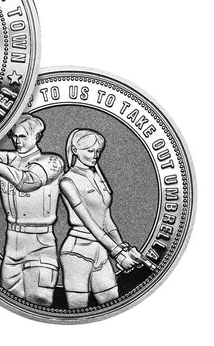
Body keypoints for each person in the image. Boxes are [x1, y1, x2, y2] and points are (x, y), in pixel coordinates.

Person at [0, 114, 64, 306]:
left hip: (40, 244)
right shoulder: (7, 158)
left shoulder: (52, 162)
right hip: (12, 245)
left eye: (23, 137)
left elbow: (27, 182)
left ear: (37, 136)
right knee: (11, 303)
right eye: (14, 136)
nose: (17, 141)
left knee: (39, 302)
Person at [59, 129, 140, 309]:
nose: (95, 155)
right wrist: (117, 253)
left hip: (101, 249)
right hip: (77, 250)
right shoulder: (67, 181)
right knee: (77, 309)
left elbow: (106, 217)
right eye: (90, 150)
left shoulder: (96, 175)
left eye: (98, 151)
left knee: (112, 303)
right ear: (75, 150)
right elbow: (90, 224)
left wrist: (122, 246)